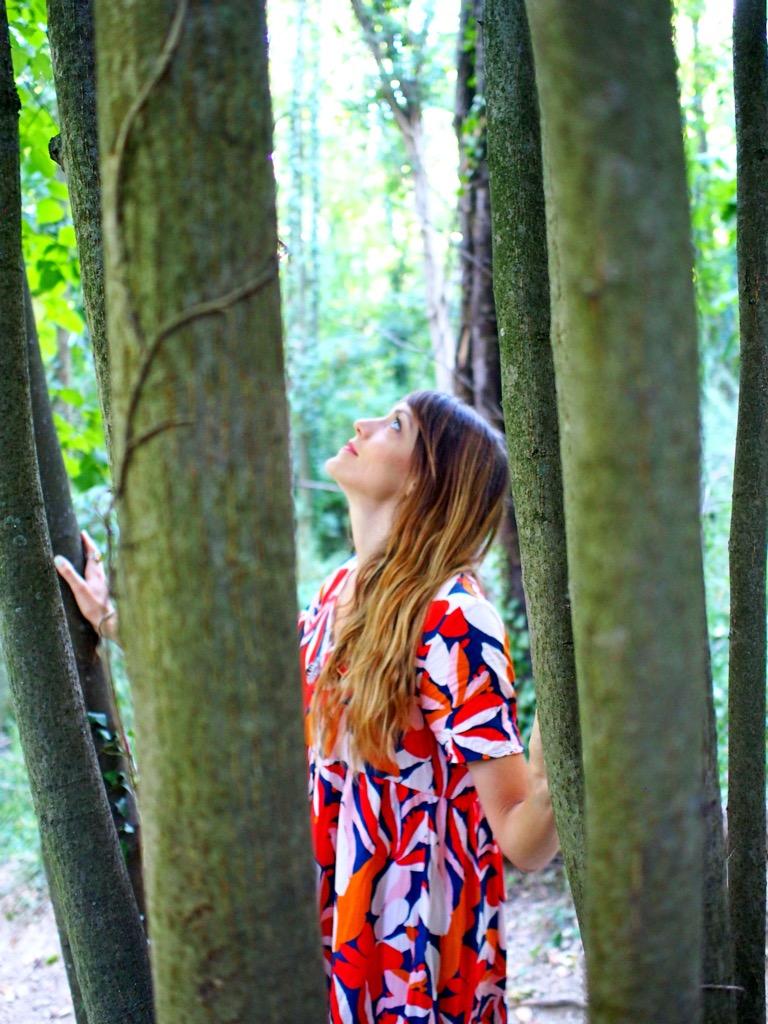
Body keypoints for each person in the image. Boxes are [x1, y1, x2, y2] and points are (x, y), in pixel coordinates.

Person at [56, 389, 559, 1024]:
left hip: (409, 941)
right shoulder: (340, 588)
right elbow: (236, 672)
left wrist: (562, 757)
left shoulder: (456, 617)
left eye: (394, 425)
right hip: (327, 912)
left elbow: (522, 837)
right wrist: (107, 617)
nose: (363, 423)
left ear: (421, 483)